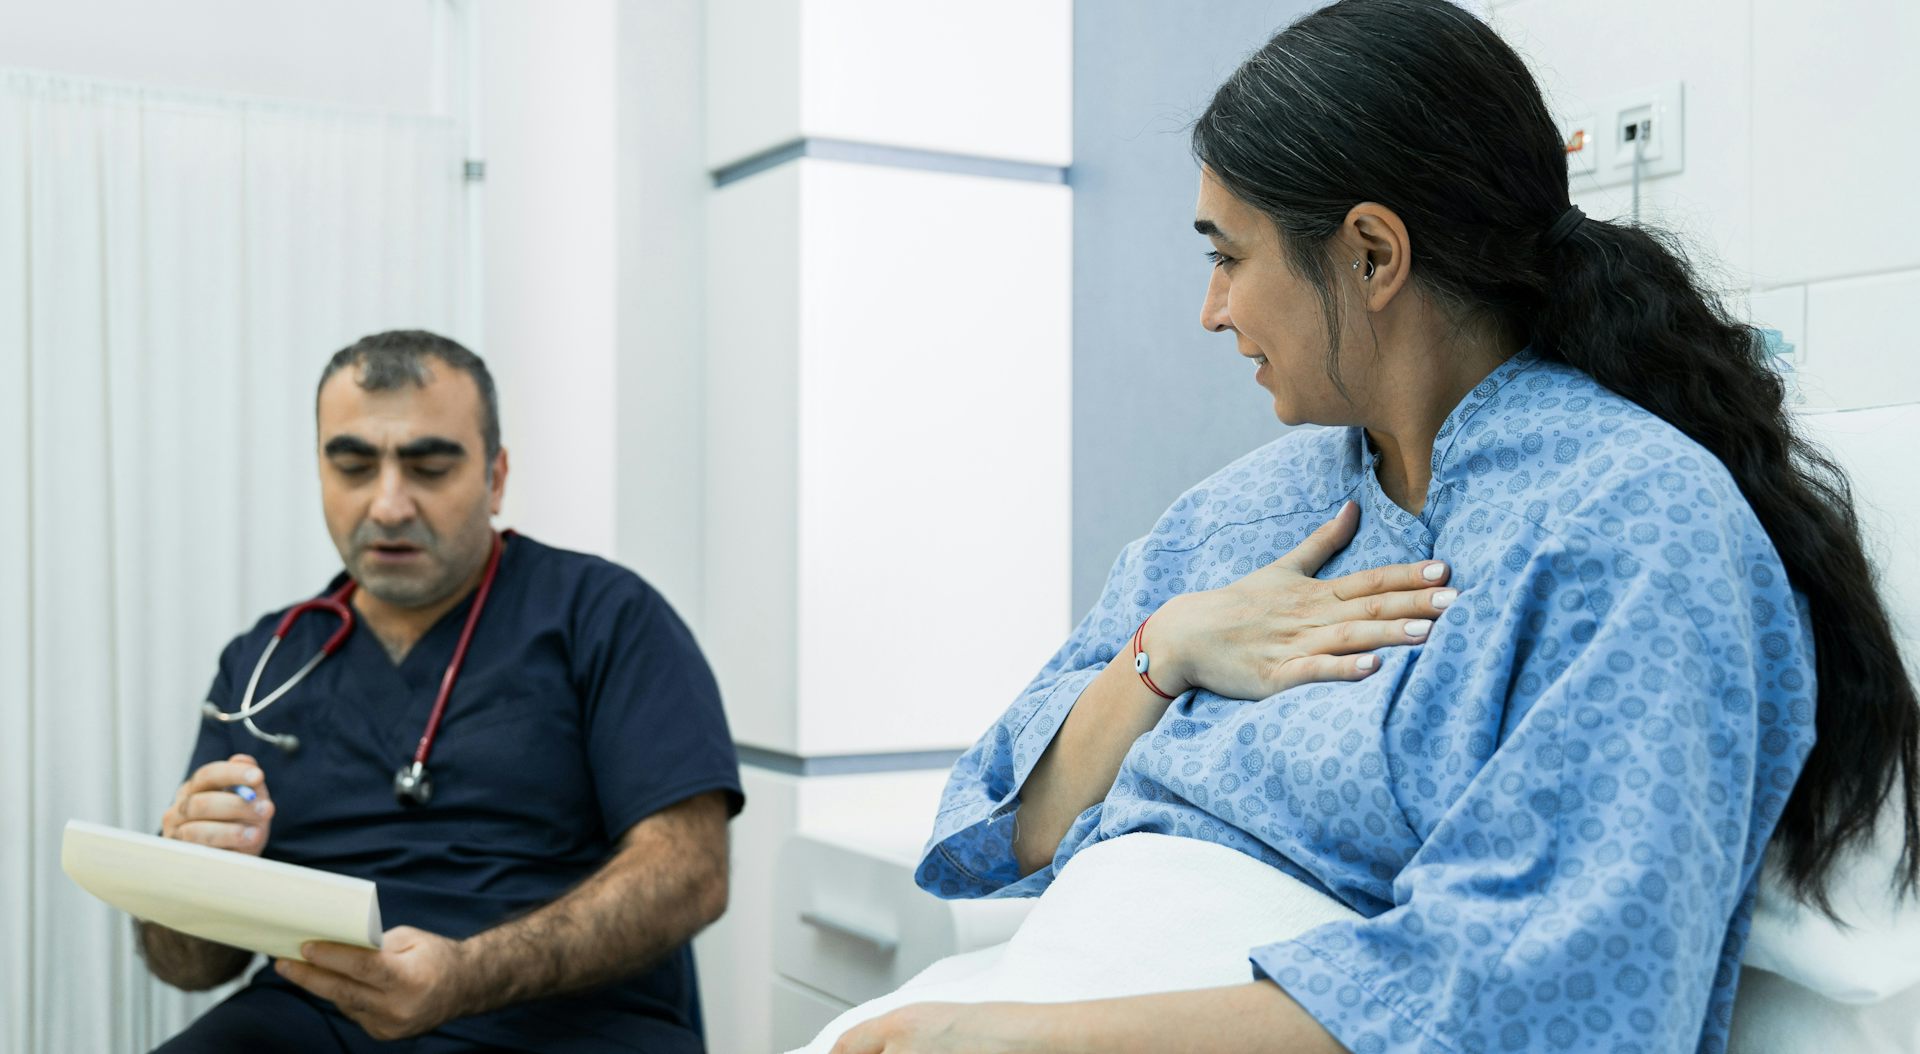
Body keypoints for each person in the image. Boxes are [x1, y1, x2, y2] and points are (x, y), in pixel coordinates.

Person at [829, 1, 1920, 1051]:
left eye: (1227, 255)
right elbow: (991, 831)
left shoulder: (1628, 532)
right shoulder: (1239, 516)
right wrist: (1163, 652)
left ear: (1370, 254)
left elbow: (1543, 1006)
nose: (1211, 311)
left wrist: (1026, 1042)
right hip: (1035, 991)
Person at [141, 330, 743, 1053]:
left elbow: (690, 872)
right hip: (314, 1020)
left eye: (428, 467)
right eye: (354, 467)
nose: (389, 505)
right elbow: (190, 966)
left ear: (495, 477)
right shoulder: (264, 662)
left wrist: (464, 974)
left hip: (571, 1024)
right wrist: (189, 876)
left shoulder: (603, 617)